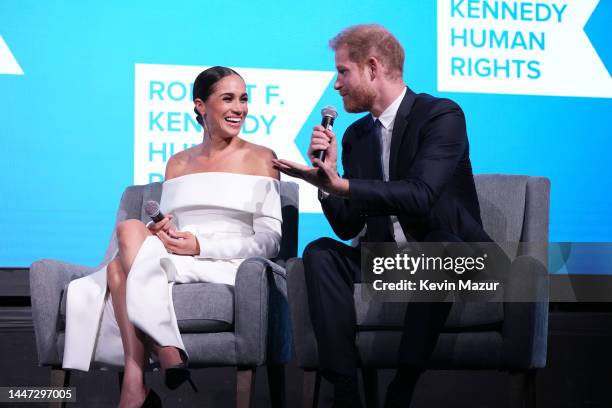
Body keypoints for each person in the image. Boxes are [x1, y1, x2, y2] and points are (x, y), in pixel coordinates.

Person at [273, 25, 492, 407]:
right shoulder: (357, 135)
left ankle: (400, 390)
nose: (336, 85)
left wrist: (343, 186)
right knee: (321, 252)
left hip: (453, 257)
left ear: (372, 67)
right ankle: (345, 391)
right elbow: (347, 225)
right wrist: (327, 180)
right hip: (387, 261)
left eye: (343, 72)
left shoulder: (441, 115)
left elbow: (421, 195)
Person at [62, 66, 282, 408]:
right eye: (228, 99)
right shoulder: (177, 163)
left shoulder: (262, 158)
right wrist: (165, 233)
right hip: (176, 259)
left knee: (119, 271)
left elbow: (270, 241)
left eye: (244, 99)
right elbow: (170, 225)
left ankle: (143, 378)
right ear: (200, 106)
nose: (240, 108)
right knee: (130, 229)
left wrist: (201, 245)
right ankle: (155, 364)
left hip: (230, 262)